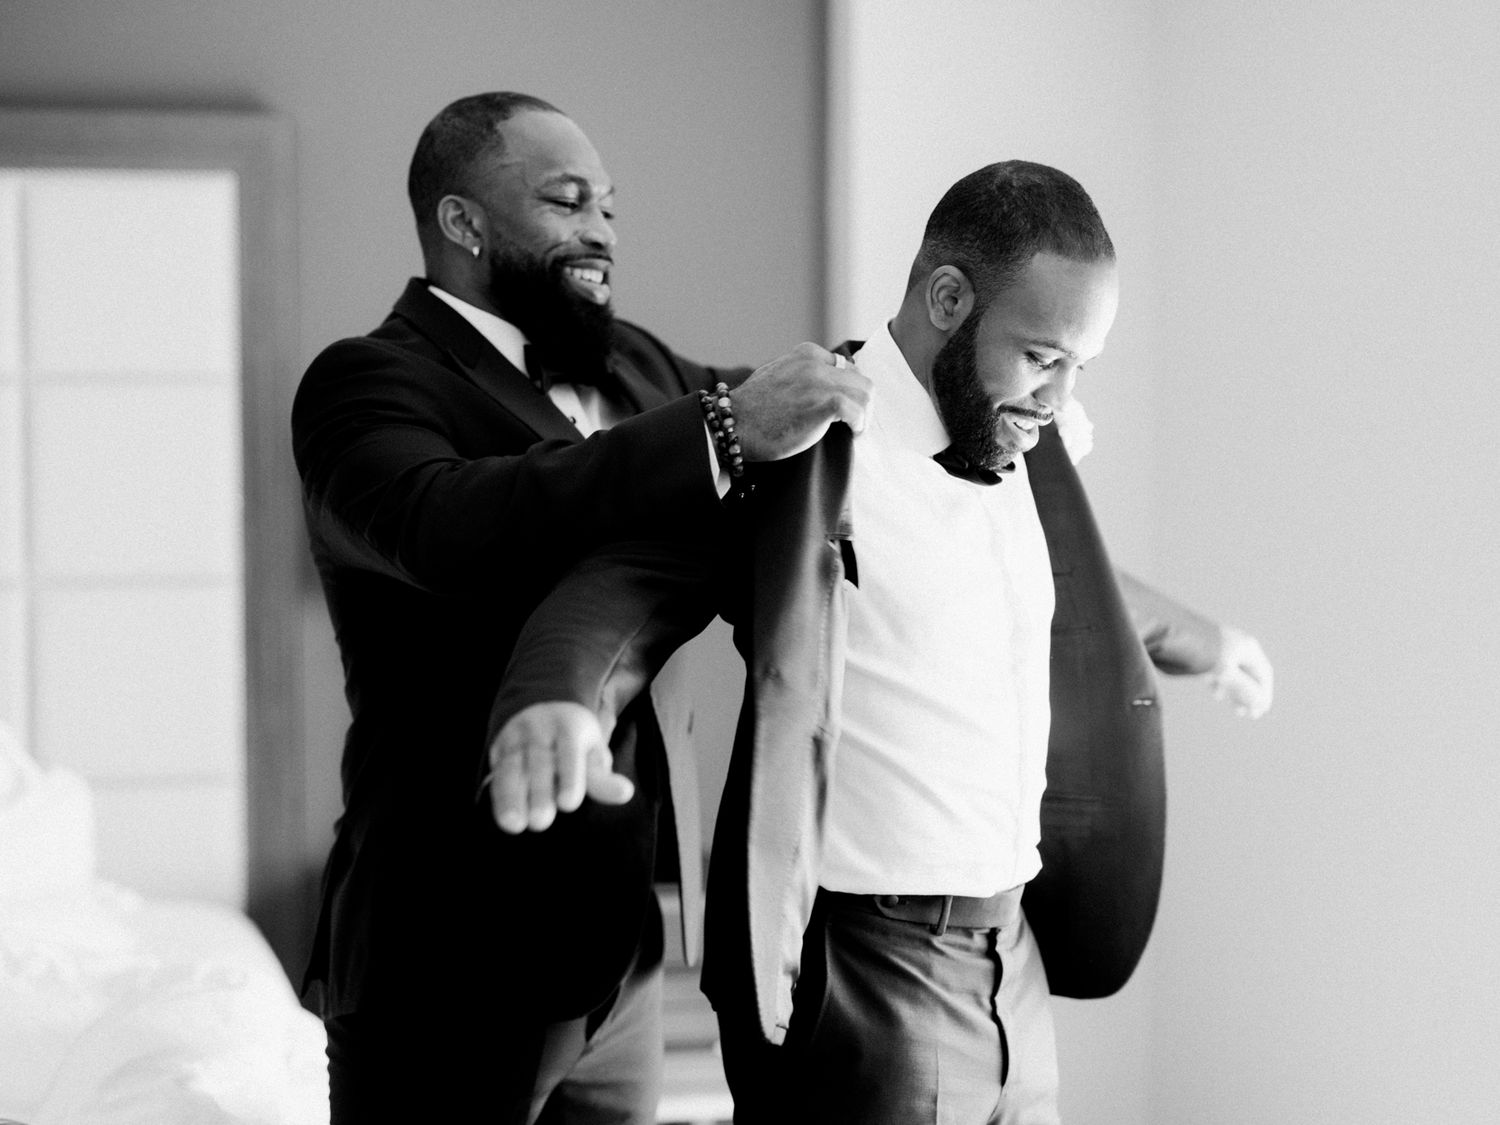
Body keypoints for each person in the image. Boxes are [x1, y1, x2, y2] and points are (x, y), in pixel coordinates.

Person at [485, 160, 1273, 1124]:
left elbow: (1052, 587)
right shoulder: (806, 437)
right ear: (948, 298)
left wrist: (1204, 637)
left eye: (1080, 368)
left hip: (1012, 962)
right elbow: (627, 580)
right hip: (865, 974)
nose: (1060, 397)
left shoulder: (1023, 435)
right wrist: (558, 697)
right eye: (1040, 358)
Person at [290, 91, 870, 1125]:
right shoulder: (362, 383)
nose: (602, 228)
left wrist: (926, 385)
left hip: (621, 949)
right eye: (566, 202)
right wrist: (723, 433)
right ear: (464, 224)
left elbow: (799, 424)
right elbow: (451, 525)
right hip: (443, 953)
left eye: (609, 205)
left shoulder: (637, 363)